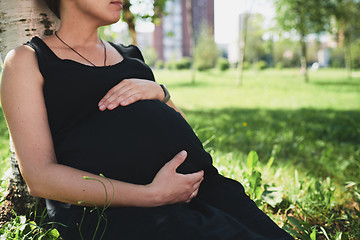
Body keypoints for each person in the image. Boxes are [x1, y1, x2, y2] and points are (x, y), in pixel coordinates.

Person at [0, 0, 294, 239]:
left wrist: (160, 93)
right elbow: (39, 177)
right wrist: (151, 195)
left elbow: (181, 132)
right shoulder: (28, 60)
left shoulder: (131, 56)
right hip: (122, 213)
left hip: (206, 190)